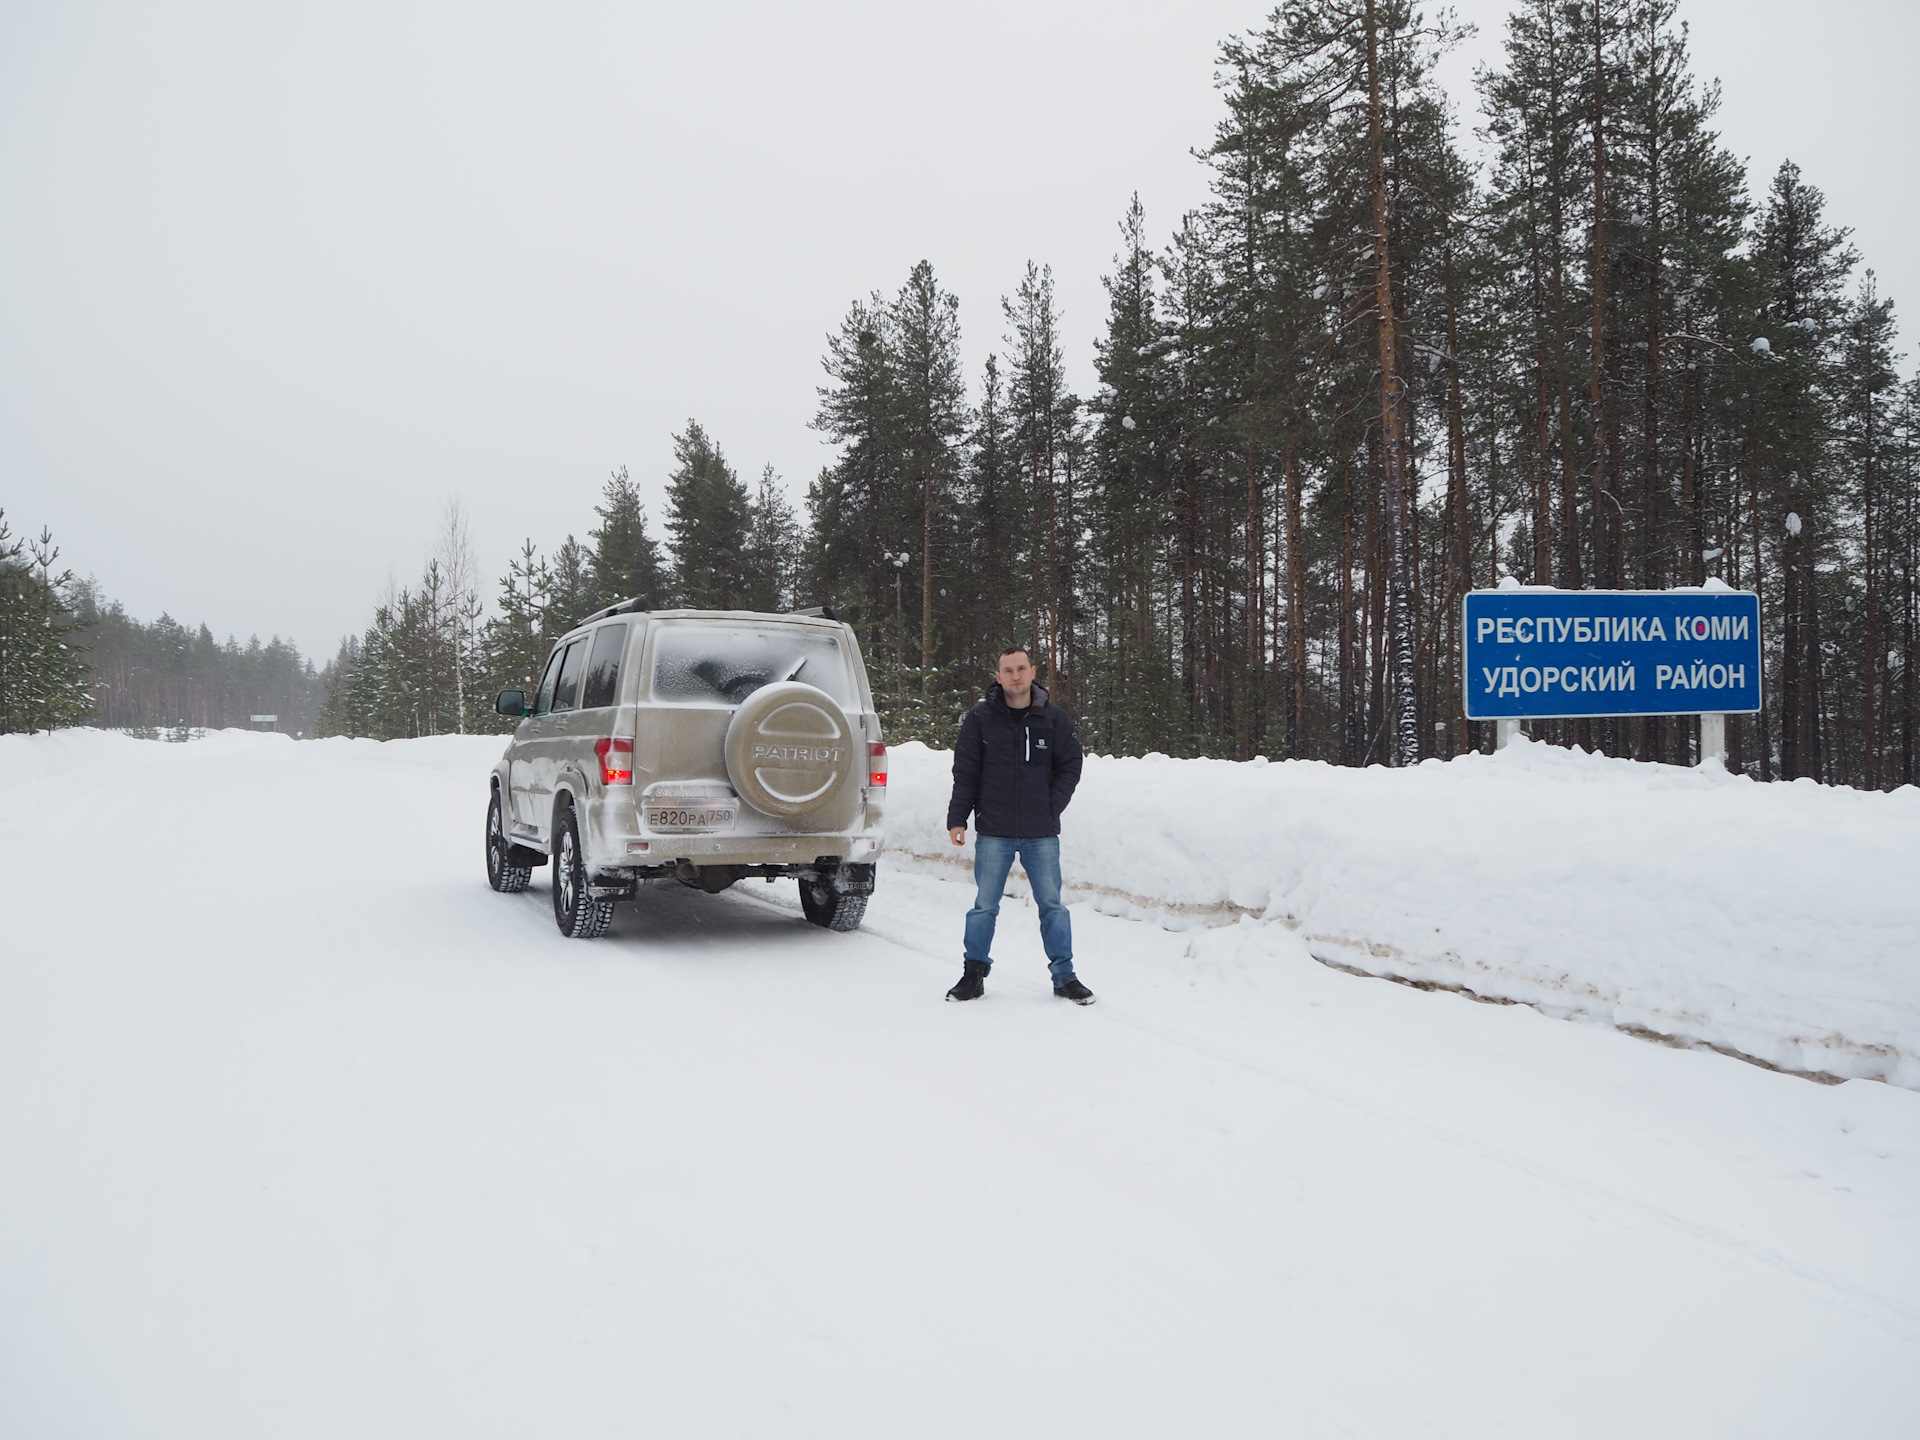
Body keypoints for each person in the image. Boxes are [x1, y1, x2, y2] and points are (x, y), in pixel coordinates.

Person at [943, 647, 1094, 1004]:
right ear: (998, 676)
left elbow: (1071, 765)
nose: (1015, 676)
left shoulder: (1053, 719)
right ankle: (973, 975)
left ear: (1032, 671)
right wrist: (957, 817)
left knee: (1053, 906)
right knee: (984, 906)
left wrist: (1051, 806)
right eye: (1008, 670)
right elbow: (965, 772)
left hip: (1040, 833)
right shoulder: (980, 719)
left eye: (1021, 669)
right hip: (993, 829)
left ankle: (1064, 977)